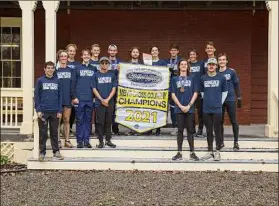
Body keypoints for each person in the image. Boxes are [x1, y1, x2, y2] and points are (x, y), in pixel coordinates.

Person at [34, 61, 64, 162]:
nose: (50, 70)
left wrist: (60, 110)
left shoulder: (58, 81)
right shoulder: (40, 80)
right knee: (43, 133)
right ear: (44, 69)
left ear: (54, 69)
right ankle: (42, 153)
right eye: (48, 68)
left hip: (55, 111)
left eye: (52, 68)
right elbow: (37, 96)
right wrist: (38, 109)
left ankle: (56, 152)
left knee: (54, 133)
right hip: (43, 112)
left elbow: (60, 97)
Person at [171, 59, 199, 161]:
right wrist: (180, 106)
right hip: (179, 109)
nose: (183, 66)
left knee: (190, 131)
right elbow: (173, 94)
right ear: (179, 67)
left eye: (185, 64)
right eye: (181, 64)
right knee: (180, 131)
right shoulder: (174, 79)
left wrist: (189, 105)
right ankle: (179, 152)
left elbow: (195, 93)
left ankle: (192, 152)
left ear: (188, 67)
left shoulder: (192, 78)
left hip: (189, 109)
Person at [200, 58, 228, 161]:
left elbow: (225, 92)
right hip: (206, 108)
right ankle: (210, 151)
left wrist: (218, 103)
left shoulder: (222, 78)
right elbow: (202, 93)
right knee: (208, 131)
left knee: (217, 130)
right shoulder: (203, 78)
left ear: (216, 66)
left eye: (213, 64)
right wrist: (208, 100)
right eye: (209, 64)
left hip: (217, 109)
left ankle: (217, 151)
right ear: (207, 66)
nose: (211, 66)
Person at [72, 49, 96, 148]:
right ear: (81, 56)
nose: (86, 56)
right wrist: (74, 97)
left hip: (90, 99)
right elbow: (73, 83)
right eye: (84, 55)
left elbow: (95, 84)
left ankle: (86, 141)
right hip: (79, 99)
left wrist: (94, 97)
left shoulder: (93, 69)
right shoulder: (76, 68)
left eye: (88, 55)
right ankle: (79, 141)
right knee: (79, 120)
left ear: (90, 56)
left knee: (88, 120)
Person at [218, 53, 242, 151]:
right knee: (220, 122)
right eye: (220, 60)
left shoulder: (231, 72)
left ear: (226, 61)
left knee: (234, 121)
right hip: (220, 100)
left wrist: (239, 97)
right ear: (218, 62)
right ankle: (221, 142)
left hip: (230, 99)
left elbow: (236, 84)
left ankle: (236, 142)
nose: (222, 61)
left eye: (223, 59)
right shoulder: (215, 72)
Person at [93, 57, 117, 148]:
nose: (104, 64)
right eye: (102, 63)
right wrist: (102, 99)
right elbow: (94, 89)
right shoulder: (96, 75)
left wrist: (107, 99)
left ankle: (108, 140)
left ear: (108, 64)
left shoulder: (112, 75)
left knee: (108, 121)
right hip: (99, 102)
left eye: (106, 63)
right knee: (100, 122)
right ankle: (100, 141)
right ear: (100, 64)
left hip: (109, 102)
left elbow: (114, 89)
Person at [56, 50, 74, 148]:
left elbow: (73, 85)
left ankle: (67, 140)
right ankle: (58, 140)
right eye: (61, 56)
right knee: (58, 120)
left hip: (67, 98)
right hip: (58, 99)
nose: (63, 58)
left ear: (67, 58)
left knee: (66, 119)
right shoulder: (55, 71)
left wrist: (73, 96)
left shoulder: (71, 70)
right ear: (59, 58)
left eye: (65, 56)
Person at [150, 46, 167, 136]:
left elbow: (164, 76)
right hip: (149, 90)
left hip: (159, 90)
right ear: (151, 52)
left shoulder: (163, 63)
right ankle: (149, 128)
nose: (154, 52)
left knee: (158, 109)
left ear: (158, 52)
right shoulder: (147, 62)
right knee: (149, 108)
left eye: (156, 50)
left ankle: (158, 128)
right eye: (152, 50)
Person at [165, 44, 182, 136]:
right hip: (166, 87)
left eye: (175, 50)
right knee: (168, 108)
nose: (173, 52)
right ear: (170, 51)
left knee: (176, 107)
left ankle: (177, 127)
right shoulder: (166, 62)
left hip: (177, 87)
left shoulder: (180, 61)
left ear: (178, 51)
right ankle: (172, 126)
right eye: (172, 50)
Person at [189, 49, 205, 137]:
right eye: (190, 54)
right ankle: (192, 129)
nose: (192, 56)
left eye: (193, 54)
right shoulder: (187, 65)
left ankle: (200, 129)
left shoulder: (201, 64)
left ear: (196, 56)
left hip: (199, 92)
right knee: (191, 112)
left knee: (200, 112)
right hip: (190, 92)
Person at [66, 44, 80, 136]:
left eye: (73, 51)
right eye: (70, 51)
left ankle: (70, 128)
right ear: (67, 52)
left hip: (74, 90)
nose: (72, 52)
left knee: (73, 111)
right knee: (63, 111)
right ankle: (61, 129)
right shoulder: (62, 62)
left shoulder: (77, 64)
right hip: (65, 90)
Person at [108, 44, 121, 135]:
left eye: (114, 50)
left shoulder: (120, 62)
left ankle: (115, 128)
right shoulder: (104, 61)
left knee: (117, 109)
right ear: (108, 51)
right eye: (111, 50)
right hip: (107, 88)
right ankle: (107, 128)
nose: (112, 52)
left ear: (116, 52)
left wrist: (121, 70)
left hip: (118, 89)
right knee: (108, 109)